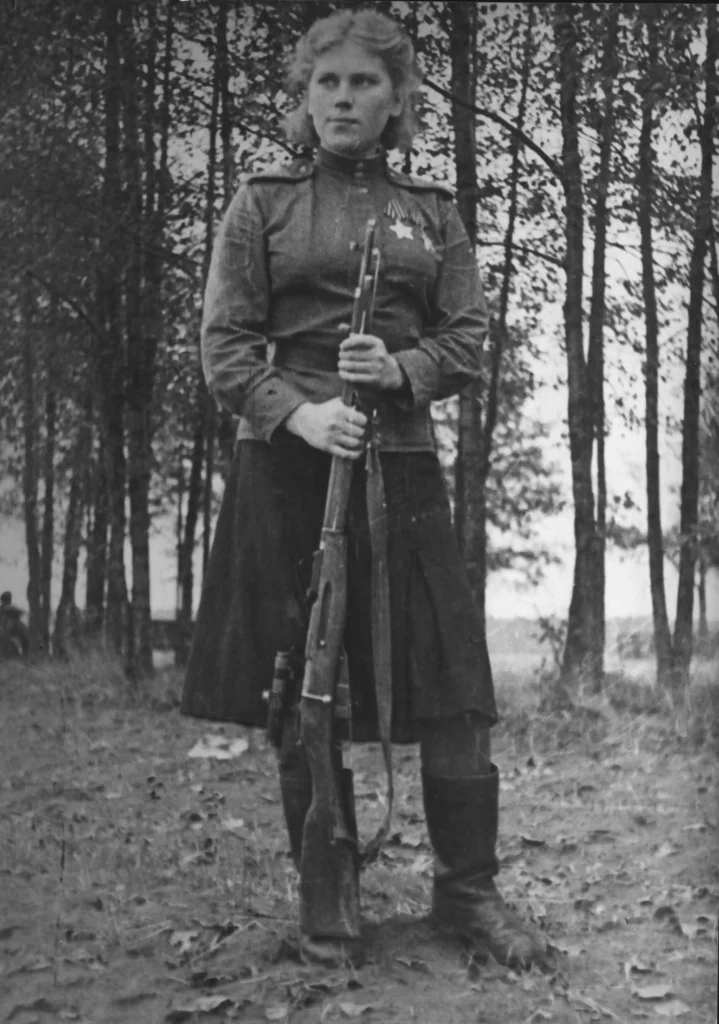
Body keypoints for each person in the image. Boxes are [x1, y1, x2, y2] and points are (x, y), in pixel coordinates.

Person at [181, 8, 545, 970]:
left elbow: (467, 341)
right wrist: (295, 413)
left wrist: (400, 373)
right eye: (326, 84)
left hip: (405, 469)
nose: (343, 99)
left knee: (452, 685)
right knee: (302, 684)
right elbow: (222, 346)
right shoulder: (261, 205)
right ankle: (328, 889)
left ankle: (468, 893)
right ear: (305, 100)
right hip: (287, 471)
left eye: (363, 84)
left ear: (397, 103)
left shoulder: (433, 214)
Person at [0, 591, 30, 659]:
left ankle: (24, 654)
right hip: (9, 630)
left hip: (7, 630)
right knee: (25, 638)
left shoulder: (5, 608)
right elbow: (22, 612)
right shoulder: (10, 608)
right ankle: (25, 655)